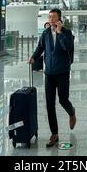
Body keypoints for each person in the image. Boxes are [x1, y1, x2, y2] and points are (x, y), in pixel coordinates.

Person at [28, 8, 76, 147]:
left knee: (63, 99)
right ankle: (54, 134)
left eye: (54, 17)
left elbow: (68, 47)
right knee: (49, 104)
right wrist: (33, 57)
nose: (51, 19)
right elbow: (40, 47)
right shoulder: (45, 33)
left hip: (62, 72)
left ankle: (72, 113)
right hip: (49, 72)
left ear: (59, 19)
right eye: (50, 17)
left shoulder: (67, 33)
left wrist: (60, 32)